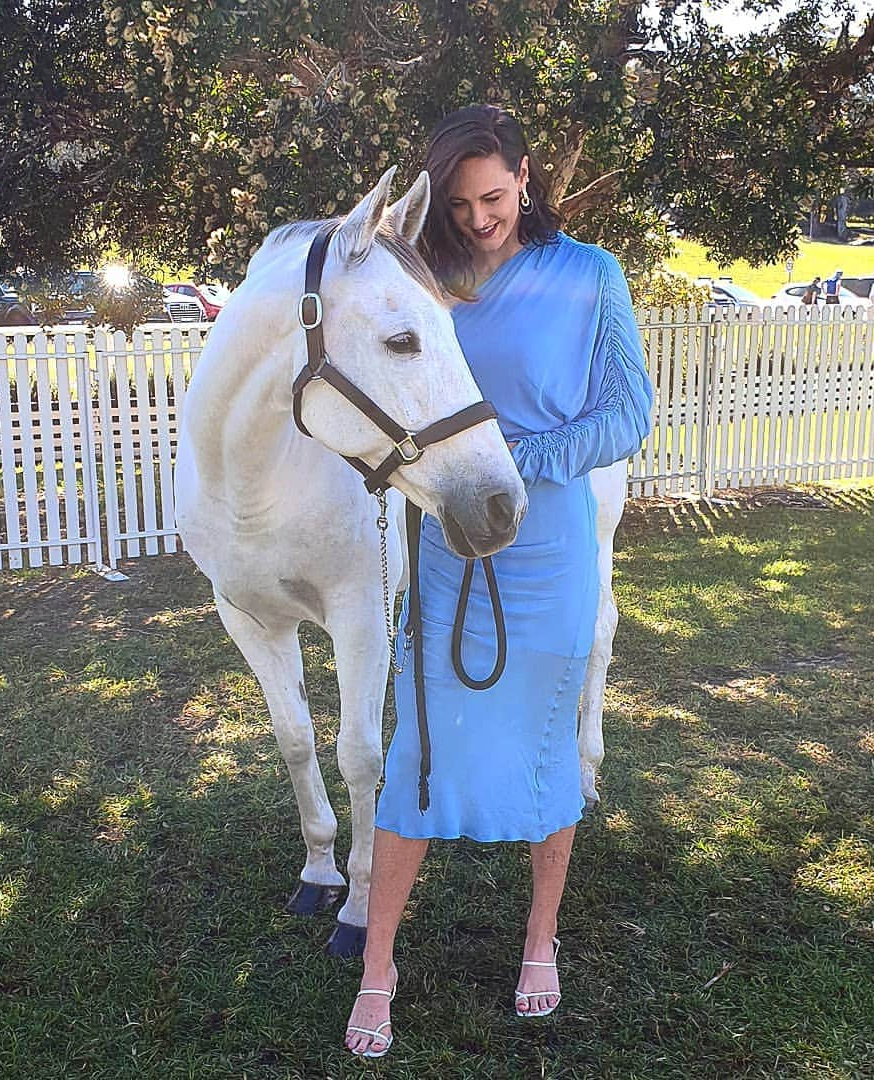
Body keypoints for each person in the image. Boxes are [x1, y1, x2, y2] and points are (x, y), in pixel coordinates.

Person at [343, 105, 653, 1058]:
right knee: (420, 753)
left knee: (545, 748)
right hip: (449, 548)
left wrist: (528, 459)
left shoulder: (591, 274)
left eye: (496, 195)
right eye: (463, 201)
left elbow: (627, 413)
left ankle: (540, 940)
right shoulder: (424, 280)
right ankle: (377, 965)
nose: (481, 218)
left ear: (526, 177)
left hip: (549, 547)